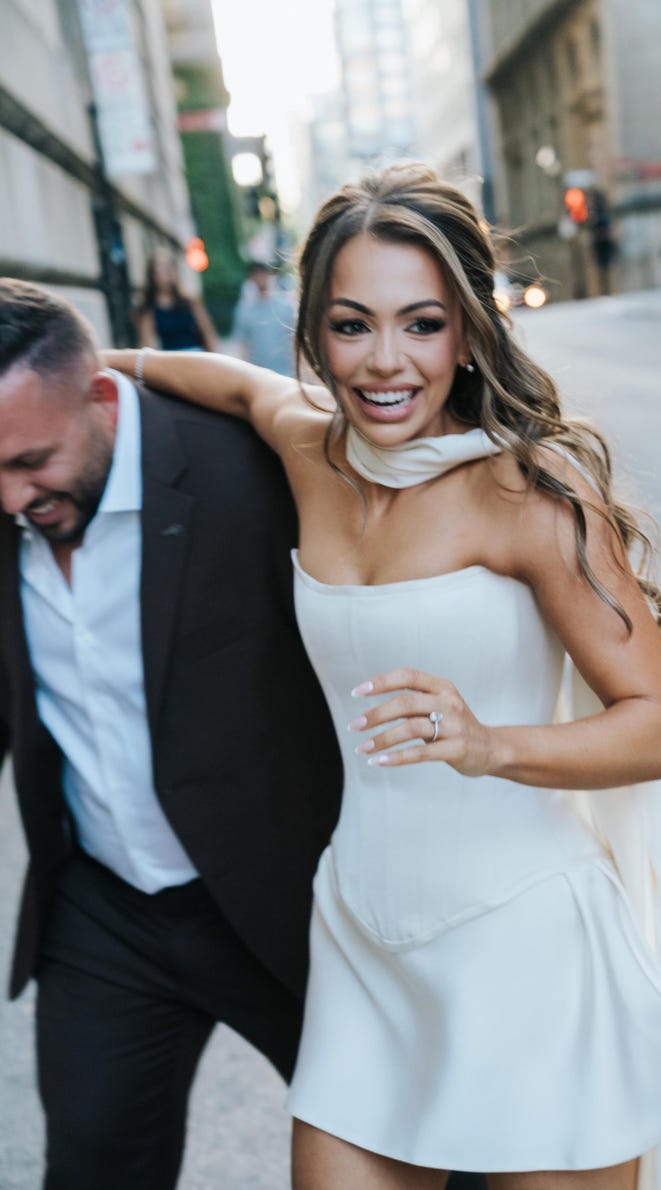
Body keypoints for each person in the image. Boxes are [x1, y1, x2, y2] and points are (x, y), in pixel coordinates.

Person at [106, 163, 661, 1190]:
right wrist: (93, 360)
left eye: (420, 324)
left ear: (467, 332)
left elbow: (659, 727)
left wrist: (490, 743)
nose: (383, 361)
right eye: (350, 325)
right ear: (311, 329)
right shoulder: (308, 446)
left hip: (527, 951)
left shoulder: (527, 491)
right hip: (361, 938)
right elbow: (212, 377)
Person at [0, 276, 343, 1189]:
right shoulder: (9, 494)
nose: (10, 497)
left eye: (32, 460)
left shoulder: (252, 474)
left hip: (287, 907)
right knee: (91, 1169)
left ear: (102, 398)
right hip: (103, 916)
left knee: (418, 1156)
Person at [137, 246, 218, 351]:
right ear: (152, 275)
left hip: (195, 355)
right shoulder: (148, 308)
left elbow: (208, 332)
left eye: (167, 269)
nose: (164, 275)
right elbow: (148, 343)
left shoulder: (190, 301)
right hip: (170, 359)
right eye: (159, 270)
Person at [232, 259, 296, 375]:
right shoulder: (245, 310)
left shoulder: (286, 306)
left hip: (286, 373)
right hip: (259, 374)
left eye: (262, 273)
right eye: (255, 273)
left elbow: (294, 339)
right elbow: (242, 344)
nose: (259, 277)